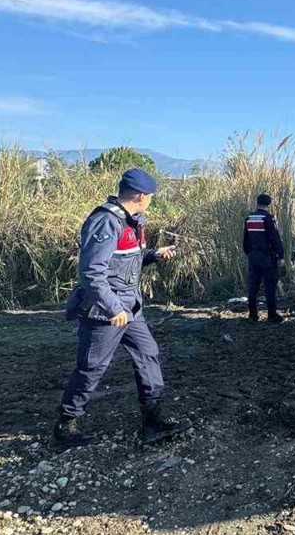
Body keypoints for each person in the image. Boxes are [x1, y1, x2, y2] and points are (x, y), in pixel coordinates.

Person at [53, 168, 192, 449]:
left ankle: (152, 422)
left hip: (131, 308)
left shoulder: (133, 221)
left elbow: (127, 260)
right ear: (141, 196)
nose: (151, 200)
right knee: (92, 367)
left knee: (148, 354)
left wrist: (153, 255)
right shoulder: (105, 221)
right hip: (106, 311)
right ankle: (65, 427)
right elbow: (92, 272)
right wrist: (113, 308)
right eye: (150, 196)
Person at [243, 193, 284, 323]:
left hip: (253, 257)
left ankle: (252, 315)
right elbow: (275, 238)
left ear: (257, 203)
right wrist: (280, 255)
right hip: (267, 257)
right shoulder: (268, 218)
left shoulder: (249, 218)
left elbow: (245, 240)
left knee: (253, 286)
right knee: (270, 286)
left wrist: (249, 253)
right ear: (268, 204)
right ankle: (272, 315)